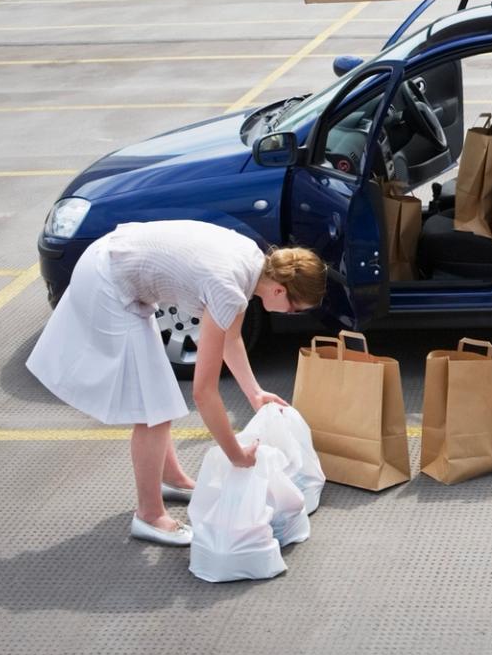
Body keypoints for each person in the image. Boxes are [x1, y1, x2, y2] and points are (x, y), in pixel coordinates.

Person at [26, 220, 327, 545]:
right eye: (295, 308)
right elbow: (204, 392)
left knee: (158, 400)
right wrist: (236, 455)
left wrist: (255, 393)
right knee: (152, 410)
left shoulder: (253, 264)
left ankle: (171, 479)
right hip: (107, 281)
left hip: (116, 261)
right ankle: (149, 516)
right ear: (280, 290)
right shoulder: (228, 286)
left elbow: (231, 339)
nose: (292, 314)